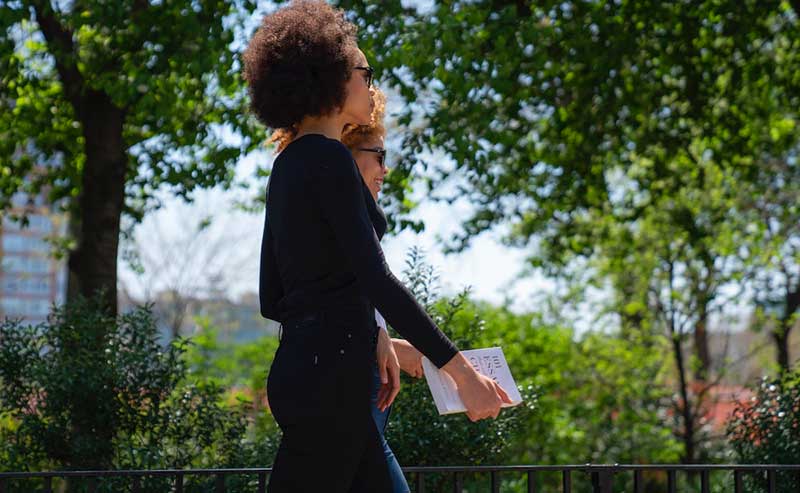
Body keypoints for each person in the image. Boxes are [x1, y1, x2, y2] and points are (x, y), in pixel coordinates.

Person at [243, 2, 511, 491]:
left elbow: (272, 296)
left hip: (304, 368)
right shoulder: (328, 158)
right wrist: (462, 373)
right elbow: (377, 279)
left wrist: (373, 334)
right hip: (336, 381)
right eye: (366, 73)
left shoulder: (287, 166)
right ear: (332, 78)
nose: (372, 86)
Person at [271, 87, 419, 493]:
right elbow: (370, 285)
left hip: (335, 389)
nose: (385, 170)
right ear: (347, 154)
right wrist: (454, 365)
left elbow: (278, 298)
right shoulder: (327, 165)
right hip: (339, 389)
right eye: (380, 155)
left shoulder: (292, 179)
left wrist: (384, 337)